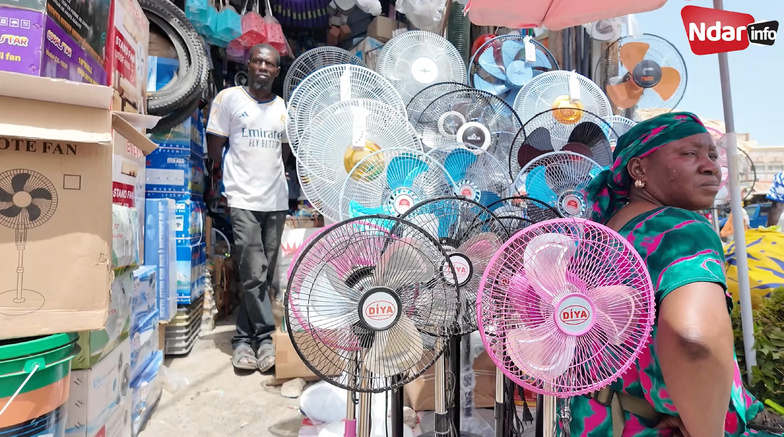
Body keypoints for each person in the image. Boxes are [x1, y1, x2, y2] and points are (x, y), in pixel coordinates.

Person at [570, 112, 784, 437]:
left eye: (712, 155)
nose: (711, 165)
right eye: (689, 153)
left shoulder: (603, 233)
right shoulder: (679, 231)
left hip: (599, 417)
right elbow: (693, 341)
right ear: (639, 169)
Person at [206, 44, 290, 372]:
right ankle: (264, 339)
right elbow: (216, 148)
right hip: (242, 198)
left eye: (270, 63)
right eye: (258, 61)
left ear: (277, 71)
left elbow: (284, 154)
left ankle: (243, 337)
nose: (263, 67)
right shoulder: (229, 100)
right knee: (252, 270)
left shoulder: (284, 109)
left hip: (276, 200)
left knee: (263, 275)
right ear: (249, 64)